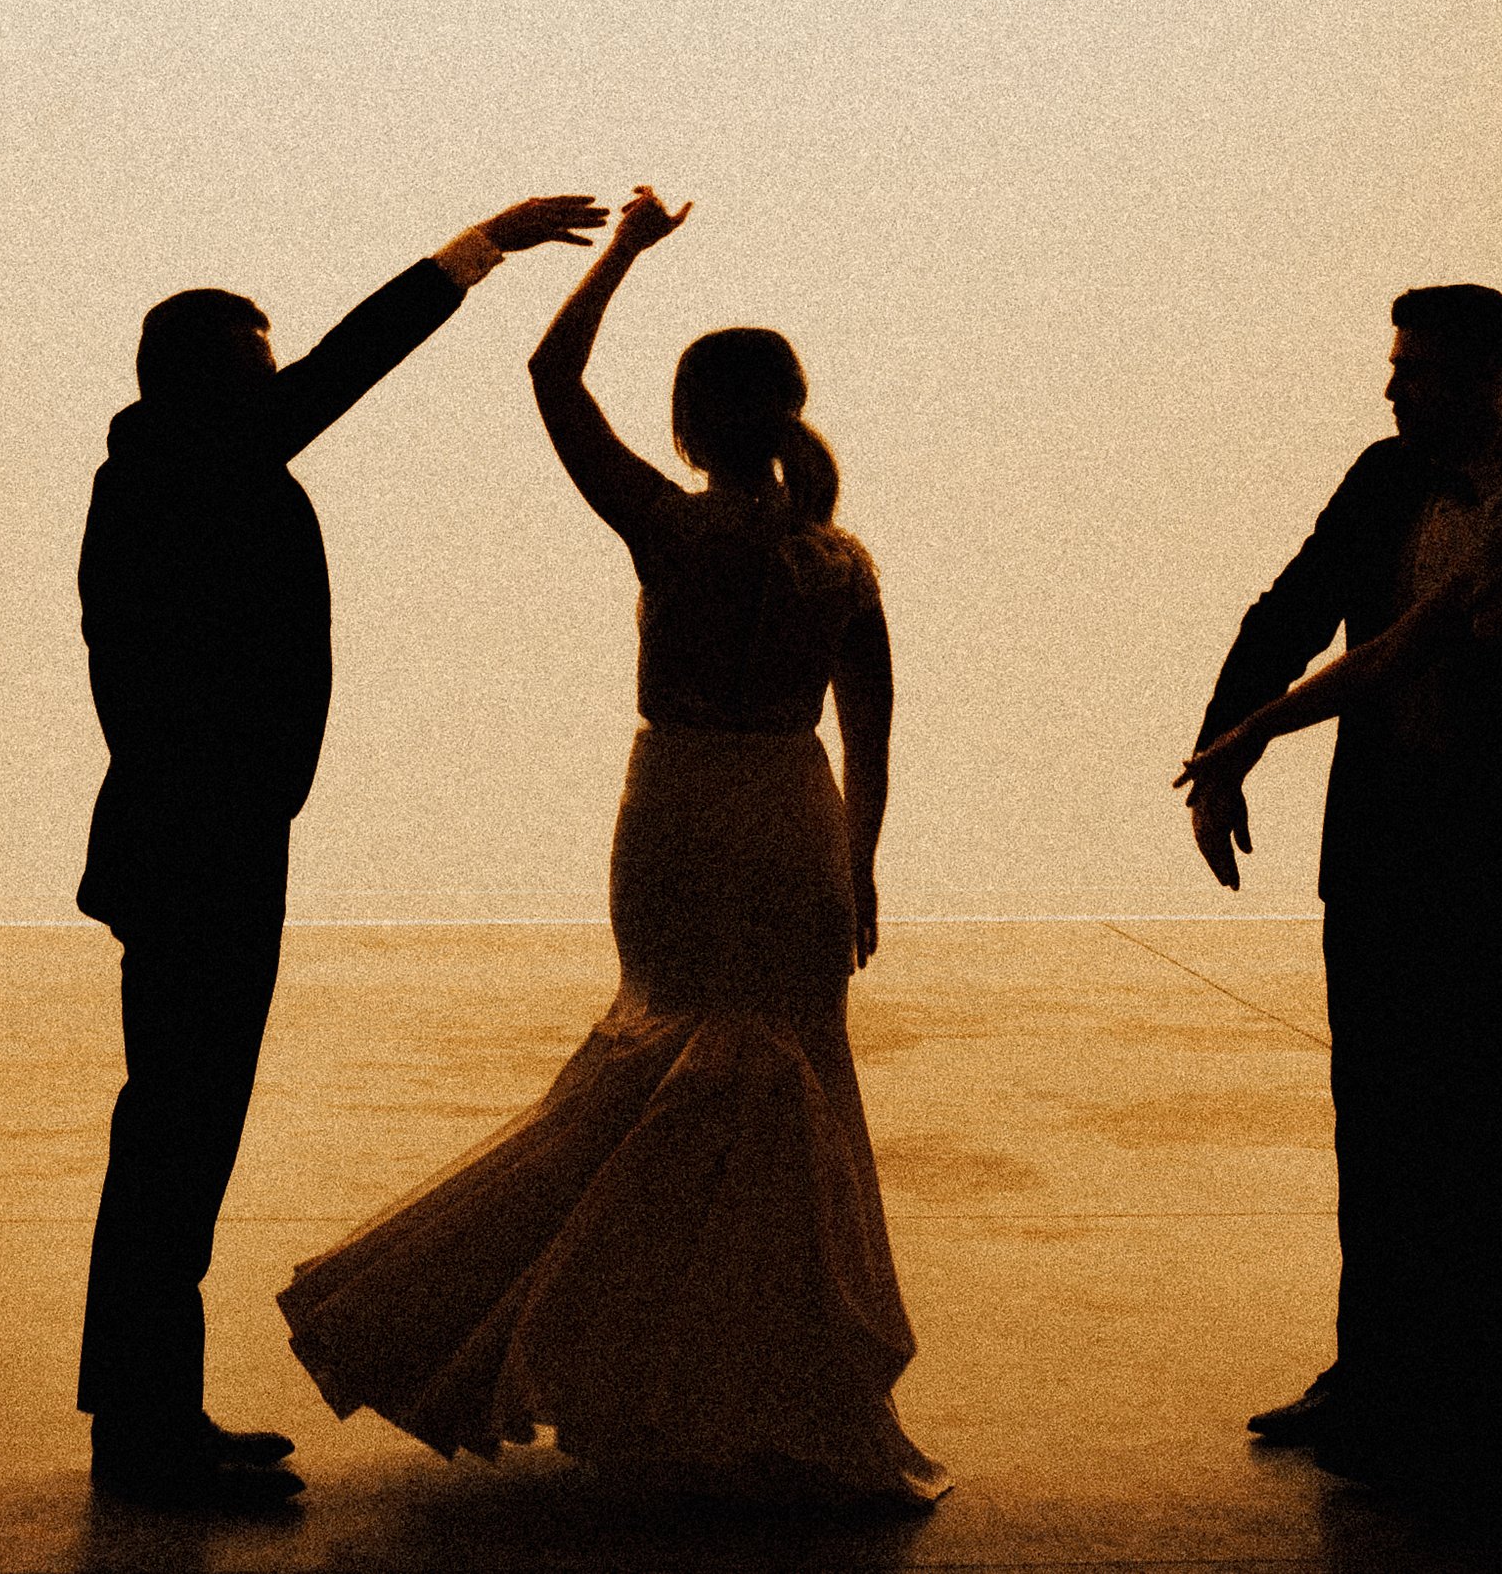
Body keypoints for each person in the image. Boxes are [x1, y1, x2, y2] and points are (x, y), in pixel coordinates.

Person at [277, 188, 946, 1507]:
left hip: (680, 808)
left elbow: (551, 373)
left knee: (658, 1056)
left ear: (691, 423)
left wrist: (627, 252)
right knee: (791, 1085)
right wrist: (860, 861)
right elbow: (872, 729)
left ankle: (606, 1342)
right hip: (794, 815)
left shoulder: (666, 524)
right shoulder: (840, 562)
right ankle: (773, 1375)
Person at [75, 192, 609, 1509]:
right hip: (206, 847)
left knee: (174, 1135)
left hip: (196, 839)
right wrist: (478, 249)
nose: (282, 376)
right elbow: (348, 364)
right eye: (261, 361)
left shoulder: (159, 469)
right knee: (175, 1139)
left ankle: (148, 1411)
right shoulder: (191, 463)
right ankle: (144, 1434)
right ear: (214, 378)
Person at [1180, 341, 1502, 1493]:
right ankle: (1400, 1374)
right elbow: (1363, 647)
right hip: (1463, 866)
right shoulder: (1490, 533)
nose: (1395, 389)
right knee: (1403, 1119)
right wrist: (1244, 734)